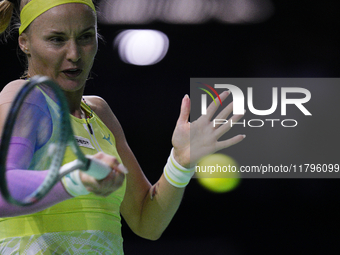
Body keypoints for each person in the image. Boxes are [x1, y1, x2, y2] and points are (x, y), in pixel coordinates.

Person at [0, 0, 245, 254]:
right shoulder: (24, 97)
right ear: (24, 42)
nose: (74, 53)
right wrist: (75, 179)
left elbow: (146, 222)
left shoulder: (100, 114)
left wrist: (180, 162)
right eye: (56, 39)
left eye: (85, 37)